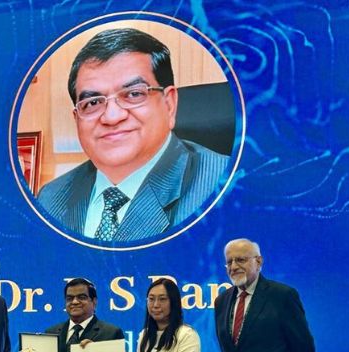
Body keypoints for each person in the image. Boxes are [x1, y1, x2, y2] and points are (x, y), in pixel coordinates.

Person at [36, 28, 230, 242]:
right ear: (77, 119)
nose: (111, 117)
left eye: (133, 94)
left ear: (169, 104)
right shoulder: (50, 198)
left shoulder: (226, 185)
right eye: (93, 102)